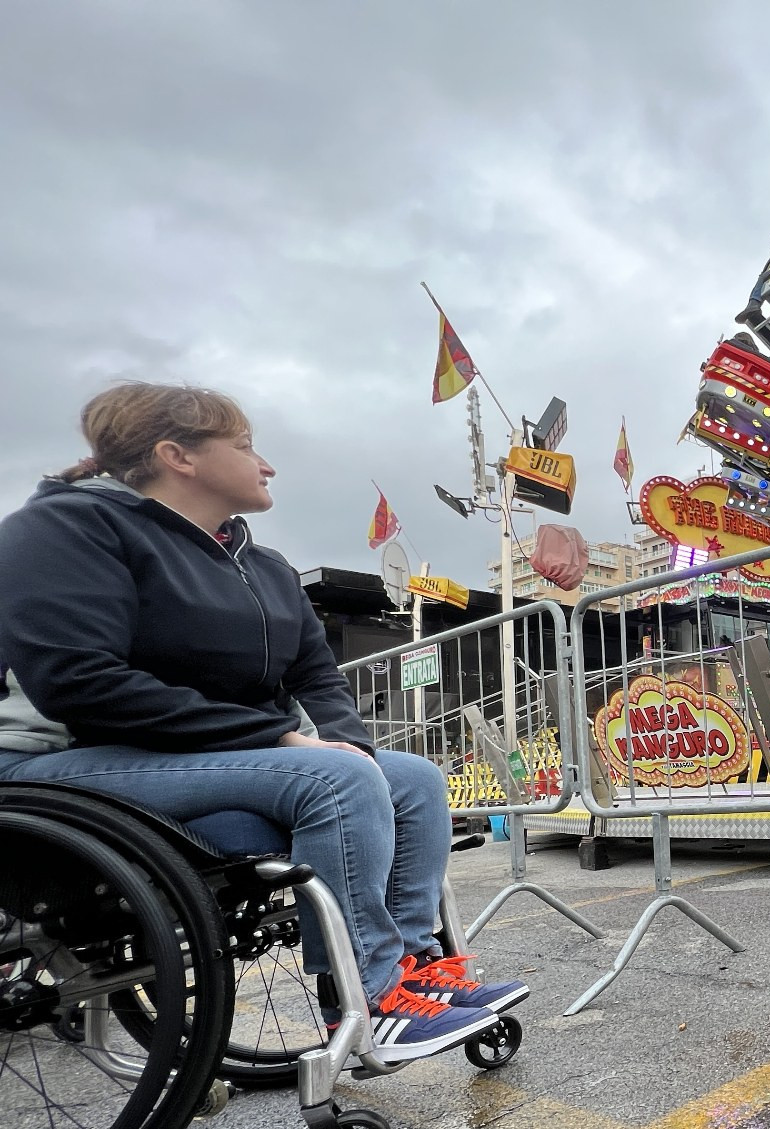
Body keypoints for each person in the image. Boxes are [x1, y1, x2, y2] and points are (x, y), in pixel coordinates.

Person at [0, 382, 527, 1062]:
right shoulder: (64, 529)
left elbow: (316, 675)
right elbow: (80, 681)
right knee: (334, 780)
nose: (267, 463)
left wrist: (350, 744)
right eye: (246, 446)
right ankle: (367, 995)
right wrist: (277, 737)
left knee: (413, 777)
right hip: (62, 758)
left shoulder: (263, 565)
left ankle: (415, 970)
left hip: (185, 756)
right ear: (177, 456)